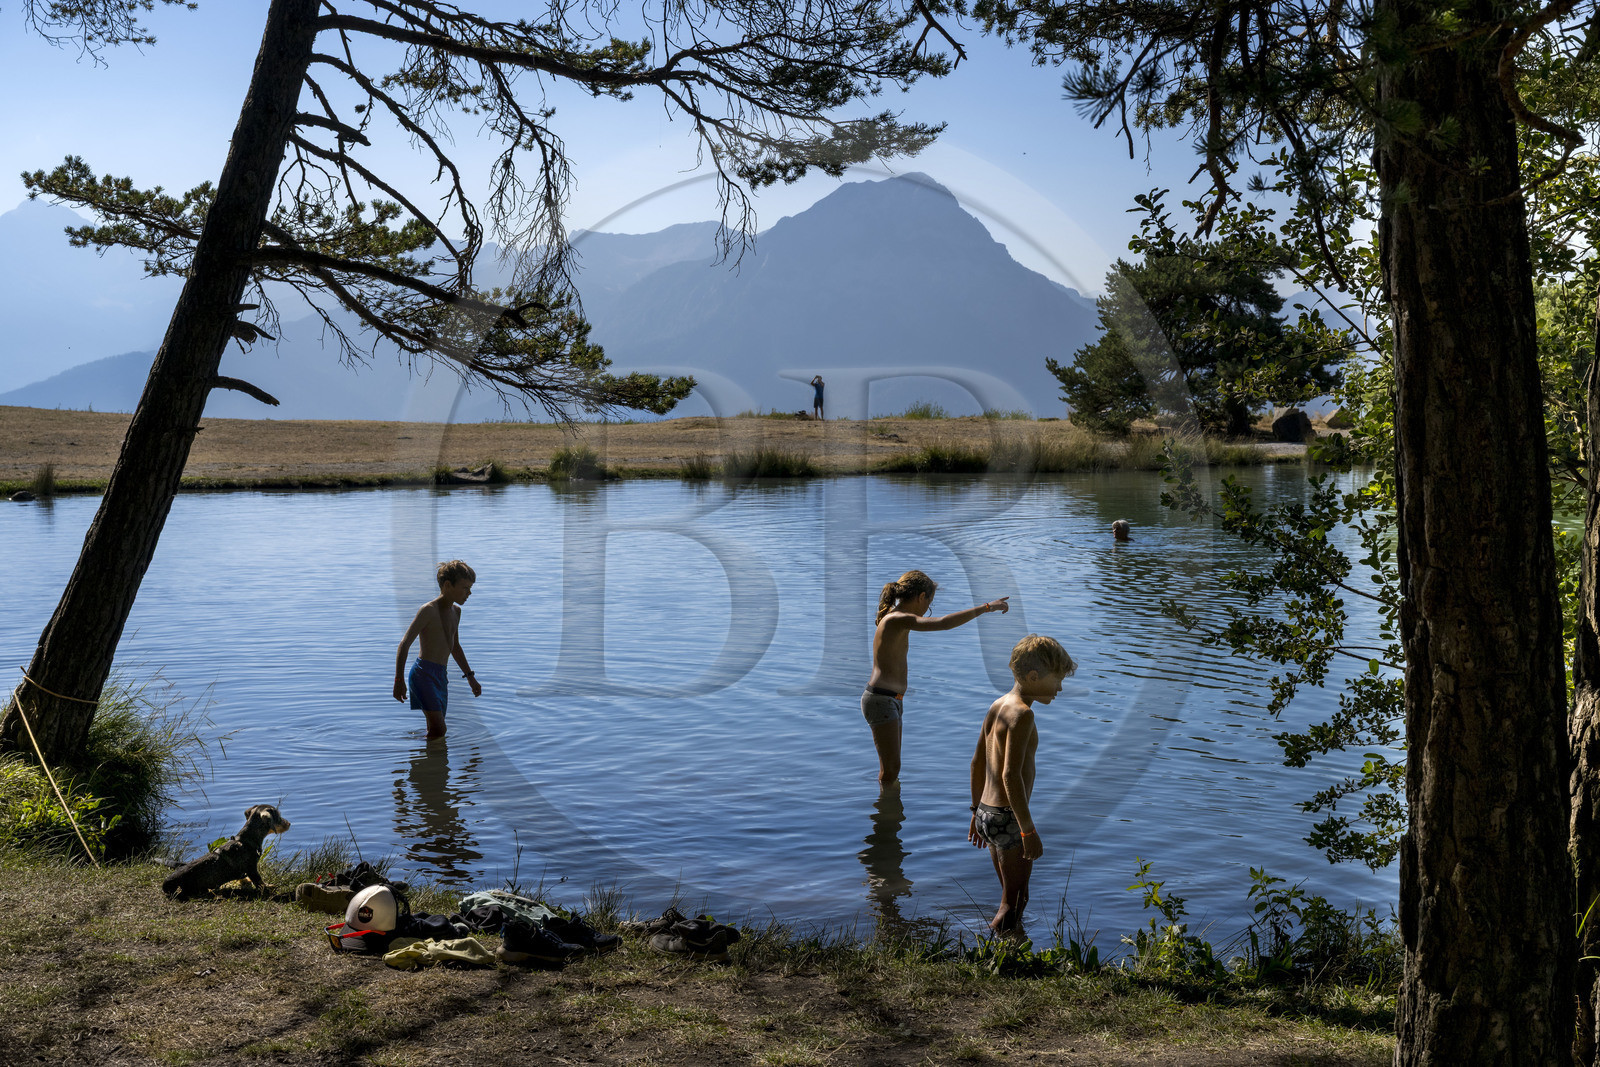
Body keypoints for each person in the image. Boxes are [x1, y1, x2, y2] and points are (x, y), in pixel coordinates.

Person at [968, 633, 1076, 939]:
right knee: (1014, 900)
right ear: (1033, 676)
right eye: (1056, 680)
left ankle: (1012, 944)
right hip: (1008, 818)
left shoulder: (998, 705)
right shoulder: (1023, 714)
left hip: (987, 814)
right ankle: (993, 949)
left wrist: (975, 812)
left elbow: (977, 763)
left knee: (1012, 892)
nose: (1059, 688)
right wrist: (1028, 830)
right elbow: (1010, 776)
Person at [863, 569, 1009, 784]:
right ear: (921, 597)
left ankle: (890, 811)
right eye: (928, 603)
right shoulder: (896, 619)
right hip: (881, 700)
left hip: (890, 699)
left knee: (893, 768)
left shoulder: (896, 619)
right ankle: (885, 815)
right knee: (891, 769)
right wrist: (986, 607)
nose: (927, 610)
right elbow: (943, 623)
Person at [394, 559, 482, 739]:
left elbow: (454, 647)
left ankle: (427, 764)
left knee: (435, 731)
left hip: (440, 676)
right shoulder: (428, 610)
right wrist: (398, 679)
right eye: (465, 588)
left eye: (470, 588)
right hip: (423, 675)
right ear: (448, 585)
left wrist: (470, 677)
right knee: (440, 729)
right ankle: (425, 761)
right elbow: (404, 644)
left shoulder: (456, 612)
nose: (469, 593)